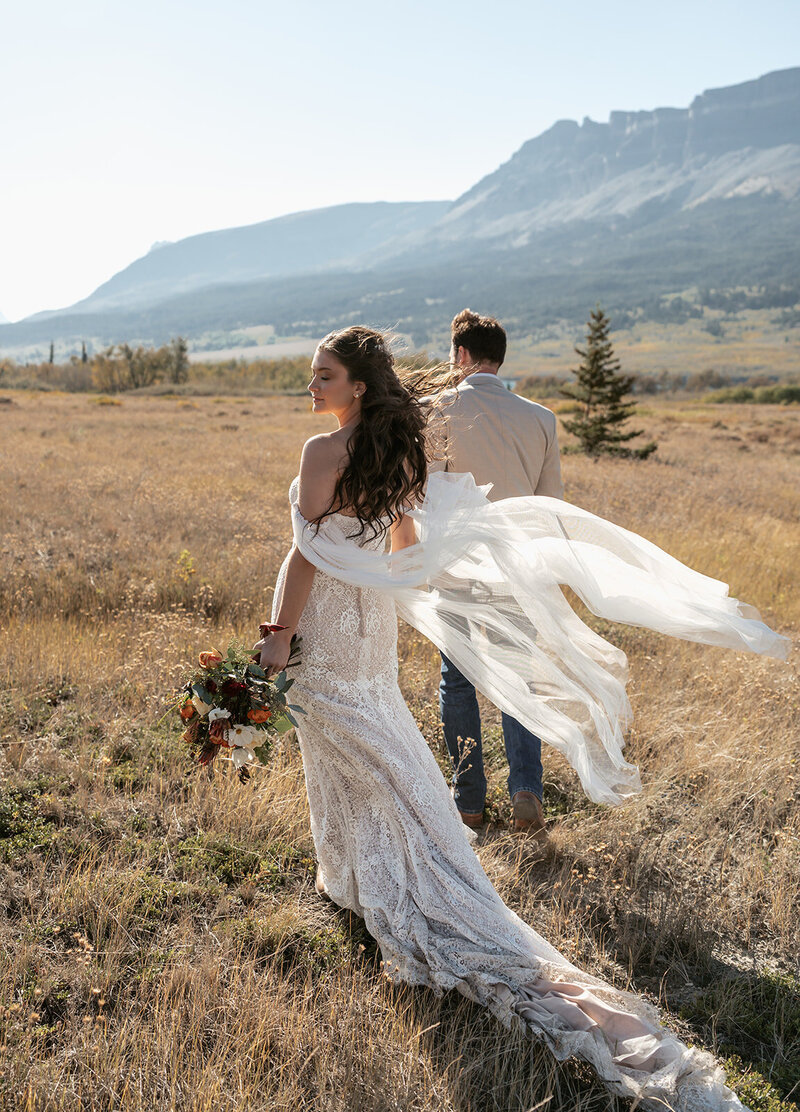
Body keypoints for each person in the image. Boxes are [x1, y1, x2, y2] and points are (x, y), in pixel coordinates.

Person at [253, 325, 787, 1112]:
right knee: (369, 735)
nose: (311, 386)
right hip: (370, 619)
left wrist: (276, 640)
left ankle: (398, 876)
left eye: (322, 374)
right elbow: (405, 544)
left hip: (330, 618)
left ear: (357, 385)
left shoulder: (319, 452)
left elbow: (304, 556)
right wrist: (407, 587)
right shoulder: (399, 450)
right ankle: (367, 870)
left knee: (347, 738)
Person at [431, 308, 564, 837]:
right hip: (518, 569)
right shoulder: (541, 417)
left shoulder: (436, 410)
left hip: (458, 566)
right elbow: (550, 507)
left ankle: (469, 803)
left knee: (457, 682)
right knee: (519, 683)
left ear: (461, 355)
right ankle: (526, 790)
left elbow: (426, 494)